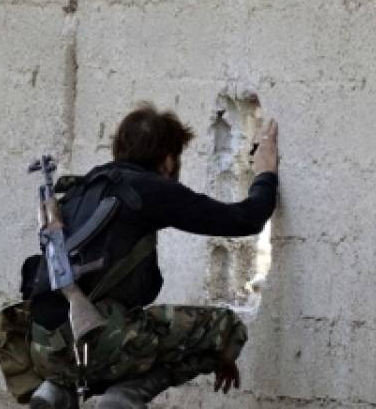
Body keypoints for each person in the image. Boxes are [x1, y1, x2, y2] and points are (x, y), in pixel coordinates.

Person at [24, 102, 279, 409]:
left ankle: (56, 391)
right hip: (101, 344)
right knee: (224, 327)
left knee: (122, 331)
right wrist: (265, 173)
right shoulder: (148, 189)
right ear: (168, 160)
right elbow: (246, 219)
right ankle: (125, 396)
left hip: (43, 349)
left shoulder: (79, 189)